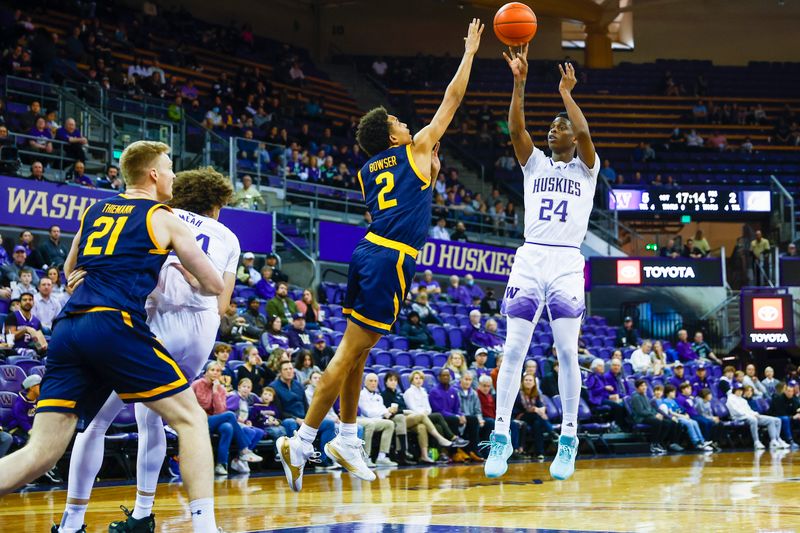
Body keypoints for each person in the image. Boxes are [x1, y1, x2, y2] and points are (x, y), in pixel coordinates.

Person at [277, 19, 483, 491]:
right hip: (389, 259)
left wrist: (428, 167)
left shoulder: (370, 167)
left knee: (361, 354)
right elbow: (451, 100)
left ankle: (348, 439)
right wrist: (469, 53)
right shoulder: (416, 150)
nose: (407, 124)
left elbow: (418, 177)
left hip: (370, 253)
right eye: (399, 123)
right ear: (394, 139)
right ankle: (304, 440)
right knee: (349, 352)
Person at [1, 141, 226, 533]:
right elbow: (211, 285)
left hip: (69, 328)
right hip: (114, 323)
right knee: (191, 420)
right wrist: (190, 277)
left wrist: (82, 281)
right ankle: (206, 528)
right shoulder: (164, 216)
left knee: (41, 452)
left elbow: (70, 269)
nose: (173, 175)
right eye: (170, 167)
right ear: (153, 173)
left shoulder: (94, 210)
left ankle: (71, 523)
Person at [56, 165, 240, 532]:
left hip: (153, 320)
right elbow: (222, 305)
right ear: (216, 204)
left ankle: (73, 522)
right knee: (158, 416)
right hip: (201, 332)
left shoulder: (160, 216)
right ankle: (145, 514)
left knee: (96, 423)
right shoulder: (229, 237)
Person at [192, 363, 263, 476]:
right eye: (212, 370)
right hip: (198, 420)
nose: (215, 373)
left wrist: (215, 391)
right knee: (230, 415)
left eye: (218, 371)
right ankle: (244, 450)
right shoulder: (196, 385)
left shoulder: (220, 389)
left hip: (214, 420)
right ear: (205, 372)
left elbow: (220, 411)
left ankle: (221, 465)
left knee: (227, 427)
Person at [271, 360, 337, 470]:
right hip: (286, 419)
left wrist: (308, 418)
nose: (289, 371)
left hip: (304, 418)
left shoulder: (298, 385)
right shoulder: (274, 387)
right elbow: (279, 411)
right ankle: (294, 461)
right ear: (280, 372)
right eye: (285, 369)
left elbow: (306, 405)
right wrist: (296, 419)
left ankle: (322, 460)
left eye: (291, 368)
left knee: (328, 424)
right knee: (290, 423)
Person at [382, 371, 440, 464]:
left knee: (422, 427)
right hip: (396, 419)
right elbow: (392, 411)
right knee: (426, 416)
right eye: (391, 380)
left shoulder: (398, 395)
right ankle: (402, 452)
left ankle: (424, 456)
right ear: (386, 382)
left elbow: (403, 408)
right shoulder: (384, 395)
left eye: (395, 380)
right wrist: (404, 411)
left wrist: (403, 411)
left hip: (406, 418)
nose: (393, 382)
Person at [726, 382, 787, 450]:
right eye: (738, 390)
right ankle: (756, 442)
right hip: (739, 418)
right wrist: (751, 415)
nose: (740, 392)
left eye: (741, 390)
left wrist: (755, 413)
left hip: (749, 416)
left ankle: (775, 440)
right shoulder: (730, 399)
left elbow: (748, 410)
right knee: (753, 420)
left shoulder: (743, 400)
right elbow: (737, 412)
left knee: (775, 420)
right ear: (734, 390)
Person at [357, 373, 399, 467]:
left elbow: (383, 410)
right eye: (371, 381)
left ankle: (382, 457)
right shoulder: (361, 395)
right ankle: (366, 457)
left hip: (377, 420)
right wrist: (385, 411)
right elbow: (368, 412)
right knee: (371, 424)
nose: (373, 383)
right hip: (365, 420)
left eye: (375, 381)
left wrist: (386, 412)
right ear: (365, 382)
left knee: (390, 424)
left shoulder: (379, 397)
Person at [629, 379, 680, 454]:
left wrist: (658, 414)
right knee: (657, 421)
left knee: (668, 422)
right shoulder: (636, 397)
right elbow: (640, 412)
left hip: (649, 416)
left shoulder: (645, 396)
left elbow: (651, 409)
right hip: (640, 418)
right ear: (637, 388)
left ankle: (659, 442)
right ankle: (653, 444)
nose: (644, 387)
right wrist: (655, 415)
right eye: (641, 386)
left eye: (645, 385)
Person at [513, 373, 553, 460]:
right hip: (520, 417)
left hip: (534, 418)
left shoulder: (536, 394)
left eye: (530, 380)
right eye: (526, 380)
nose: (528, 382)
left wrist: (541, 409)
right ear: (522, 382)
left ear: (534, 383)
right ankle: (551, 431)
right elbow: (516, 410)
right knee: (536, 414)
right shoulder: (518, 394)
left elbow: (542, 406)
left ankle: (539, 453)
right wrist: (535, 410)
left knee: (537, 424)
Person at [767, 381, 800, 449]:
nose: (790, 393)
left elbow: (797, 408)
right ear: (784, 391)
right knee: (785, 418)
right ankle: (790, 440)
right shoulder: (778, 398)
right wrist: (792, 417)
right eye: (788, 391)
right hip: (775, 416)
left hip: (788, 417)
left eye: (791, 391)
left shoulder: (793, 399)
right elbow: (780, 413)